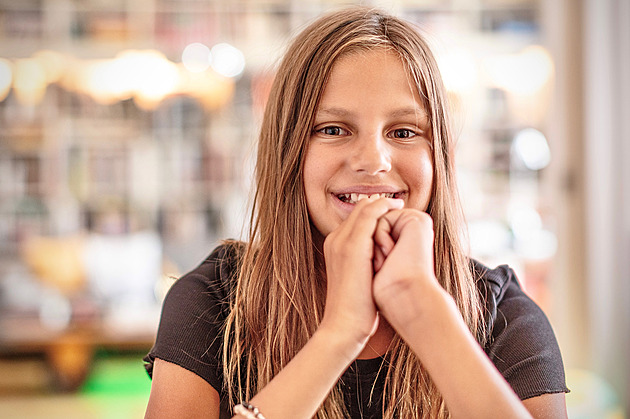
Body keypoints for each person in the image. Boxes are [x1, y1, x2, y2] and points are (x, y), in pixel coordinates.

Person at [144, 7, 569, 419]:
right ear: (288, 151)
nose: (373, 160)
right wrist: (338, 335)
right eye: (333, 130)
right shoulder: (216, 301)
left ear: (438, 154)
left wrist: (423, 311)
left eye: (403, 132)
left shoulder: (502, 316)